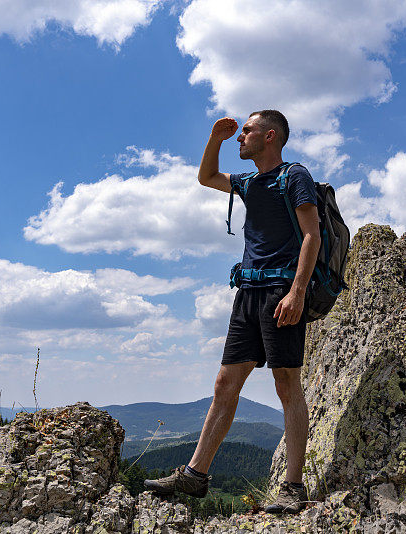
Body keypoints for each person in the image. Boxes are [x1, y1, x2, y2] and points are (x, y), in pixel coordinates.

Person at [143, 110, 321, 514]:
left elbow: (312, 234)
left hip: (280, 290)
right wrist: (214, 139)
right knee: (225, 383)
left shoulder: (294, 176)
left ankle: (293, 487)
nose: (241, 136)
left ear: (270, 136)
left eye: (248, 130)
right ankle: (195, 475)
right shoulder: (247, 182)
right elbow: (206, 177)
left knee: (286, 385)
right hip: (248, 292)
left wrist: (297, 292)